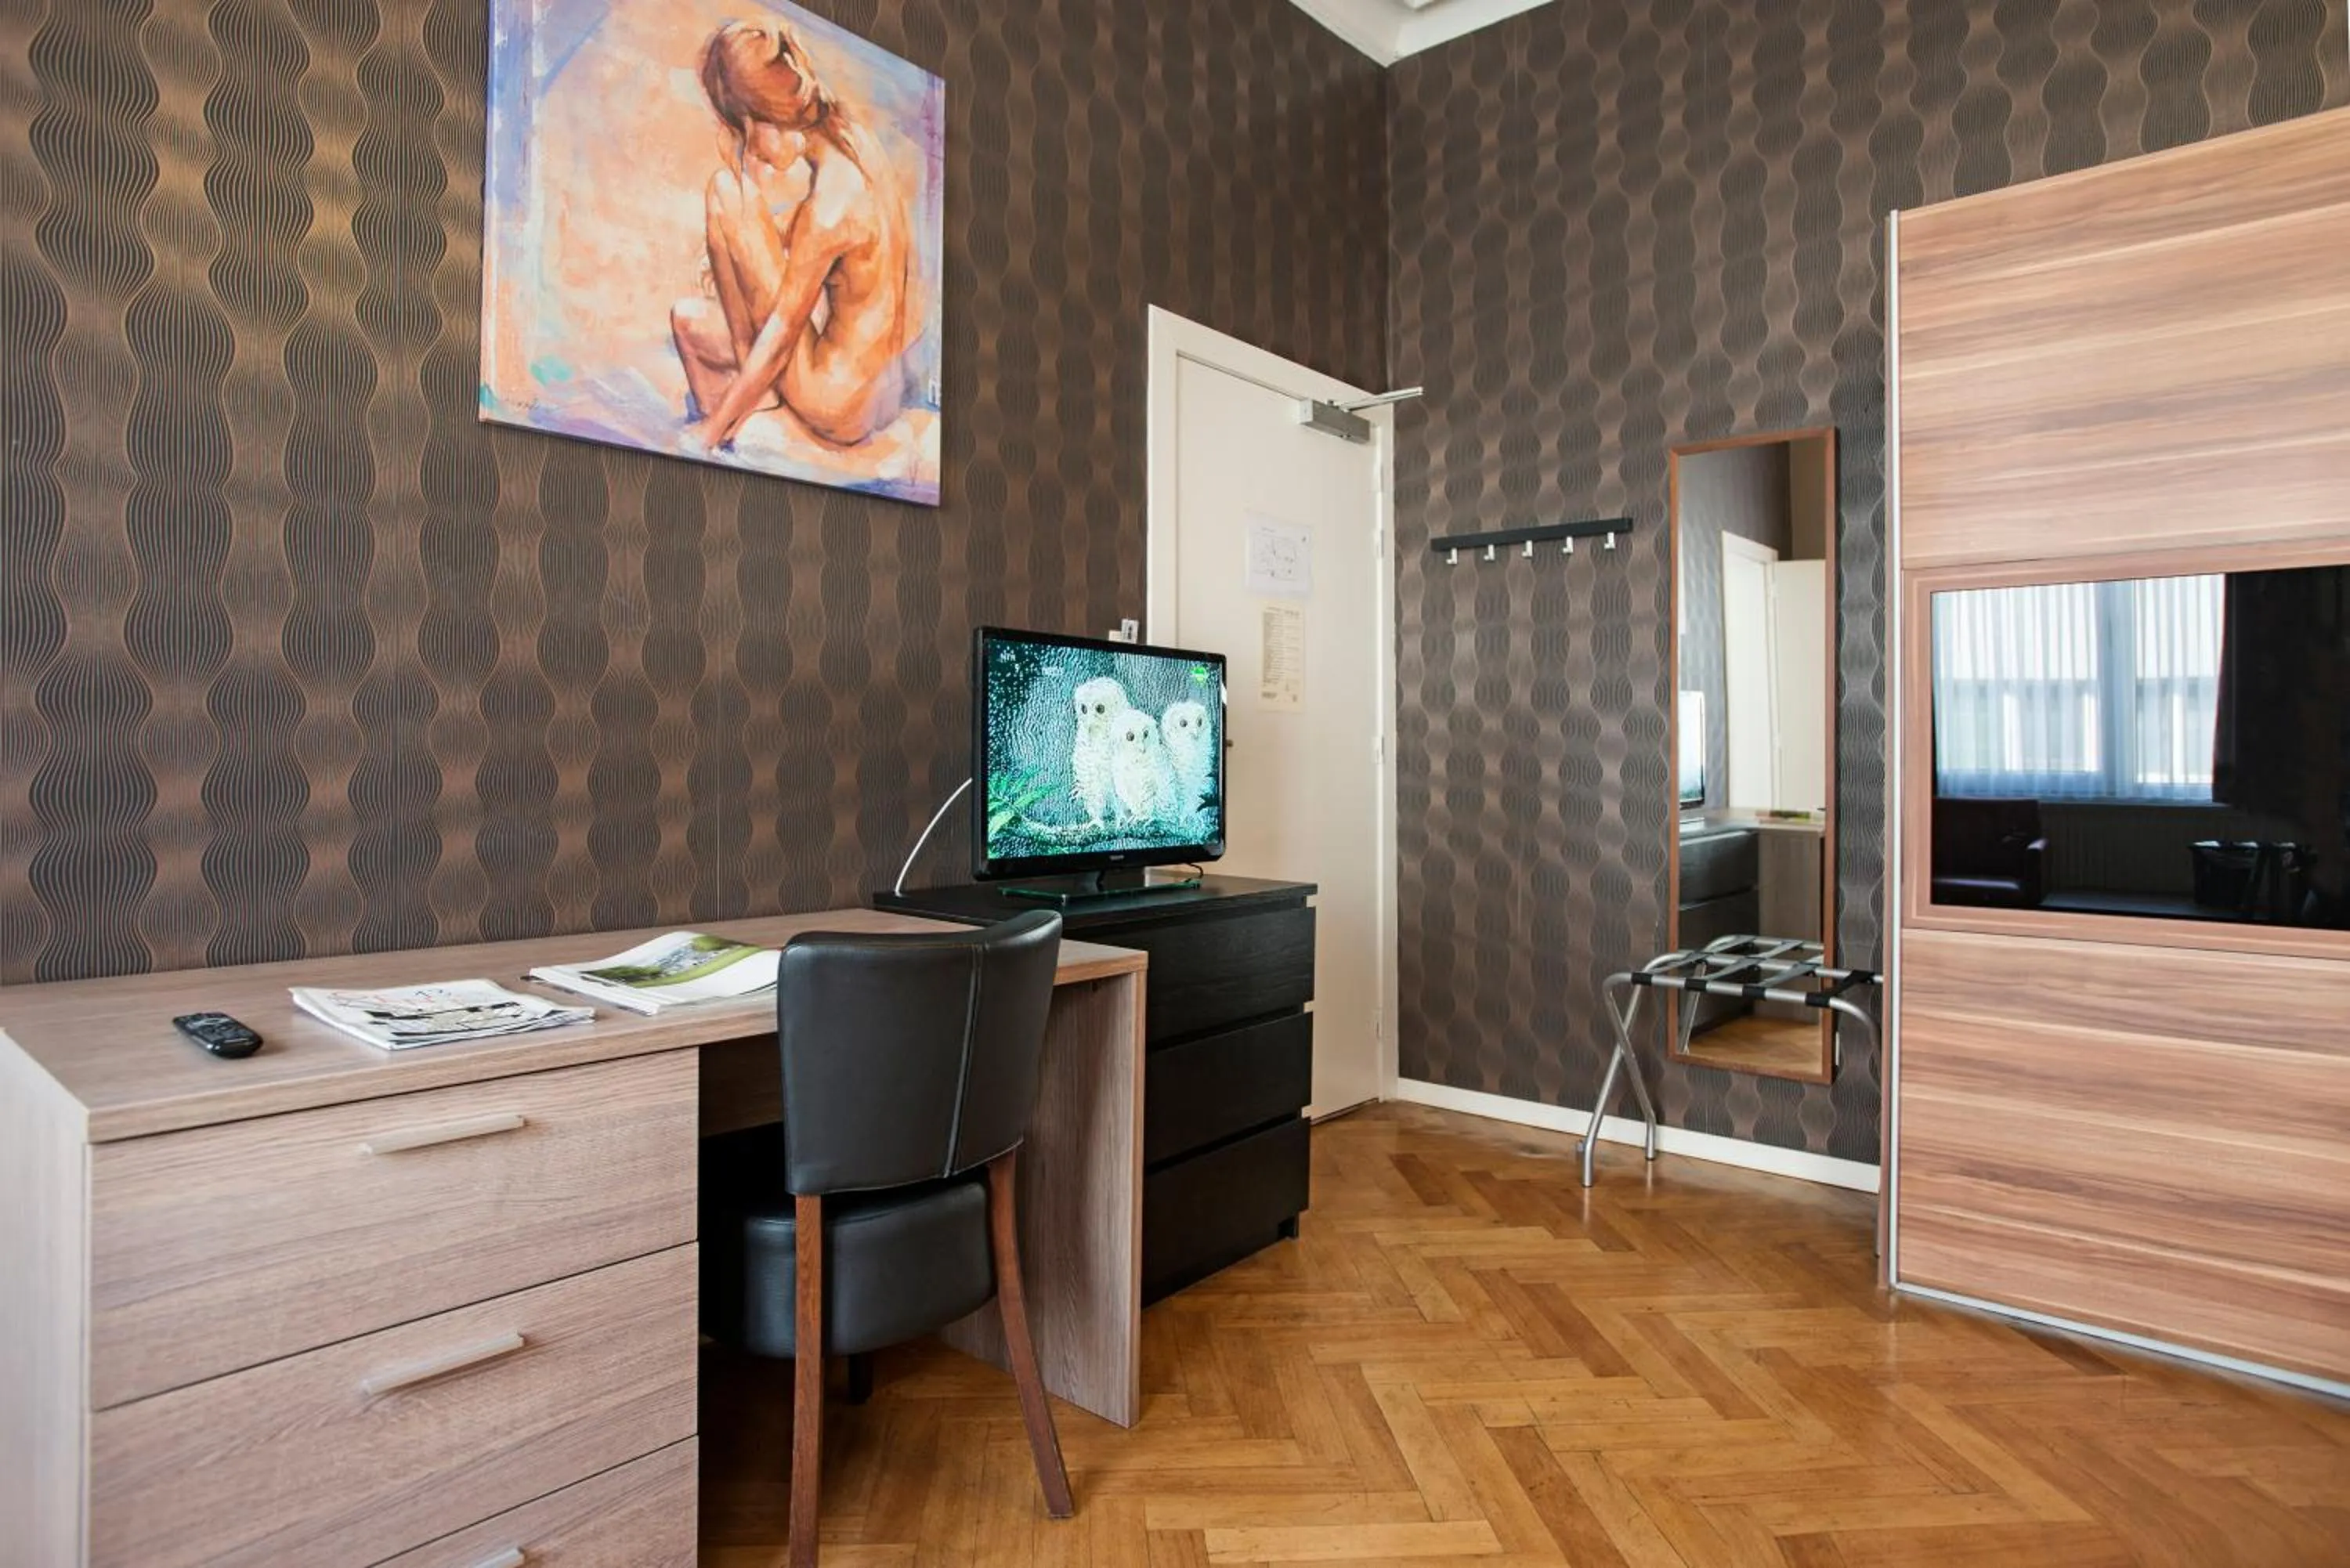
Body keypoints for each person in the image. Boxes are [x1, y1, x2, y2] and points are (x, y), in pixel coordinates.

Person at [672, 19, 920, 453]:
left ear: (766, 120)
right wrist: (767, 242)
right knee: (688, 316)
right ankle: (749, 402)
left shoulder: (827, 207)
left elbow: (782, 336)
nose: (752, 153)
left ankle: (744, 411)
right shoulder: (855, 148)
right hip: (875, 393)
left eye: (745, 134)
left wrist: (708, 433)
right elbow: (848, 240)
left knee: (725, 191)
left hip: (835, 403)